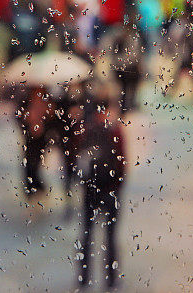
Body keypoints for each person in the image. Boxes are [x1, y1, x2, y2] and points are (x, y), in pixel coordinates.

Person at [77, 80, 126, 289]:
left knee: (89, 235)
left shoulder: (89, 130)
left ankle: (86, 276)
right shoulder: (114, 131)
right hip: (107, 191)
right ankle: (108, 278)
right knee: (106, 237)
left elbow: (77, 160)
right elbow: (123, 164)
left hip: (94, 189)